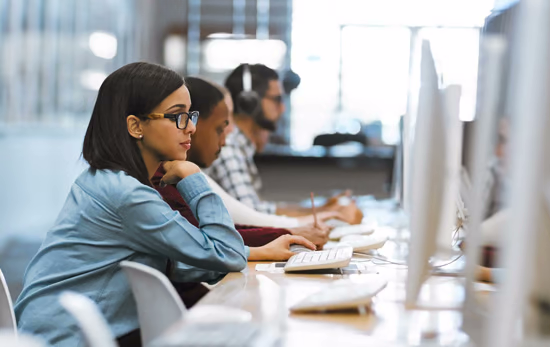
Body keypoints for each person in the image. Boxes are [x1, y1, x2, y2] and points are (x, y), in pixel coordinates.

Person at [13, 62, 311, 347]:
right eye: (177, 116)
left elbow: (171, 259)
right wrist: (194, 178)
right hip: (69, 338)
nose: (191, 128)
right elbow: (225, 254)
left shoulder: (108, 180)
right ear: (135, 126)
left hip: (49, 331)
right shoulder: (127, 195)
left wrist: (255, 252)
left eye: (190, 115)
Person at [153, 77, 332, 249]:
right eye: (179, 117)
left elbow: (217, 236)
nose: (231, 130)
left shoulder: (172, 173)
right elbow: (210, 243)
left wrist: (283, 237)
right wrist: (289, 233)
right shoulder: (160, 181)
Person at [207, 63, 362, 223]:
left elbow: (260, 209)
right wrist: (328, 214)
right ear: (250, 102)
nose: (282, 108)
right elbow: (254, 218)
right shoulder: (229, 148)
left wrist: (322, 209)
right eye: (277, 99)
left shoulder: (240, 147)